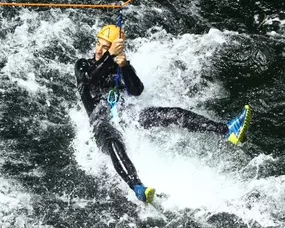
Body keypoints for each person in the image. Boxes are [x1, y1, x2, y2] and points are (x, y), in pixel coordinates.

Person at [74, 24, 252, 203]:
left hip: (127, 117)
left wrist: (125, 66)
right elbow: (90, 78)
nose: (99, 49)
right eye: (99, 44)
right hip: (101, 123)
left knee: (174, 114)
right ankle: (137, 187)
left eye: (105, 47)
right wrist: (110, 55)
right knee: (114, 143)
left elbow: (137, 91)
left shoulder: (118, 66)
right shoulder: (83, 65)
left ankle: (227, 130)